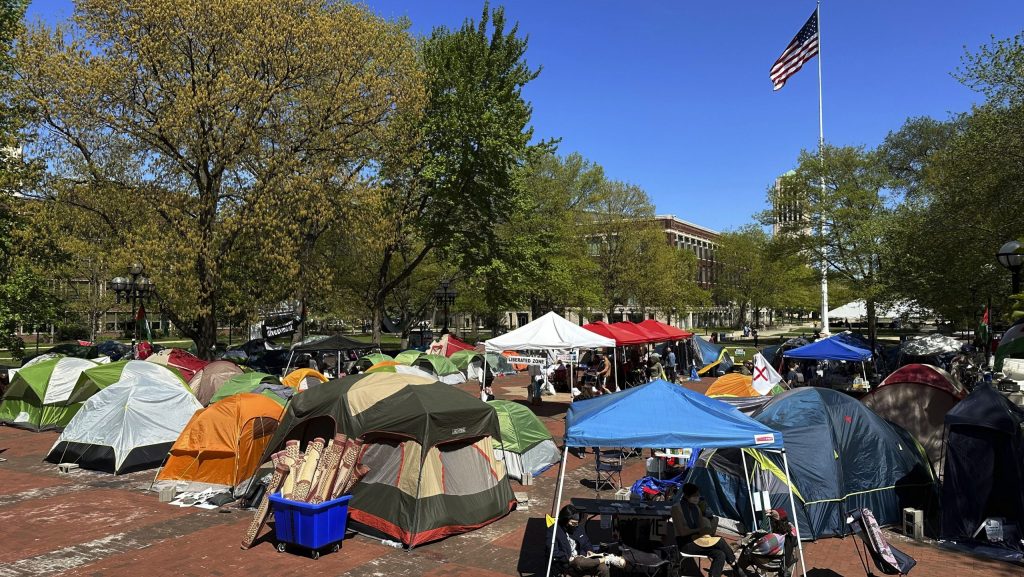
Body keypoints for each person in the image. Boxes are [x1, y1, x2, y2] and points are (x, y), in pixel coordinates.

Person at [671, 484, 748, 577]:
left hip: (698, 538)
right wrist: (700, 529)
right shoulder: (677, 508)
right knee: (720, 541)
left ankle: (724, 571)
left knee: (720, 554)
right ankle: (736, 567)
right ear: (687, 496)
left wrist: (706, 517)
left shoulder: (695, 507)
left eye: (698, 495)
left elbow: (702, 523)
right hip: (686, 543)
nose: (697, 497)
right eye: (695, 496)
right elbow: (683, 532)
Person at [548, 504, 626, 576]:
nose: (576, 526)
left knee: (603, 568)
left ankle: (604, 559)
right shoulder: (554, 531)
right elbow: (553, 552)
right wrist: (569, 558)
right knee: (578, 561)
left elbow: (586, 543)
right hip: (568, 563)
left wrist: (589, 551)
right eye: (573, 523)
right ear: (565, 521)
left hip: (584, 560)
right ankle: (607, 558)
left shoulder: (578, 529)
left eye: (577, 523)